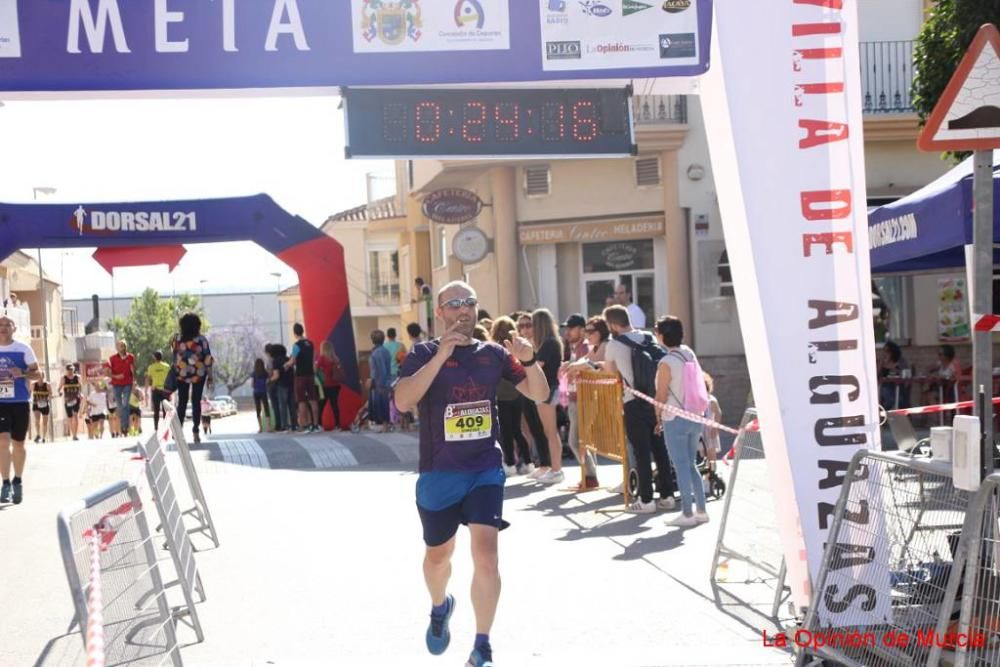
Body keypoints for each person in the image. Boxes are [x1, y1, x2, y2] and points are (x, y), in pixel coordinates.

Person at [394, 280, 547, 667]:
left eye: (470, 302)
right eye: (455, 303)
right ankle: (440, 605)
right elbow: (403, 399)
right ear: (441, 312)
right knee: (438, 557)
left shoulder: (493, 354)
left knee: (487, 557)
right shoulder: (423, 352)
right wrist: (439, 356)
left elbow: (540, 394)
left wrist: (529, 360)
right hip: (439, 474)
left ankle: (482, 645)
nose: (463, 309)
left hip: (484, 468)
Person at [601, 305, 675, 513]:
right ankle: (668, 496)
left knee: (641, 452)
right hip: (656, 400)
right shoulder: (648, 337)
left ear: (613, 324)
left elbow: (611, 372)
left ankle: (646, 500)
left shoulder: (614, 345)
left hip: (633, 401)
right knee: (660, 449)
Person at [655, 316, 709, 527]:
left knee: (681, 466)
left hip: (674, 417)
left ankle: (687, 513)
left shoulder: (666, 362)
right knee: (691, 464)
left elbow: (660, 395)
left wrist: (657, 417)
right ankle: (701, 510)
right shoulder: (689, 353)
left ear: (661, 336)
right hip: (695, 415)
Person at [0, 313, 41, 505]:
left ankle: (17, 480)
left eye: (8, 324)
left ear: (14, 329)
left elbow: (38, 374)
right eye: (1, 324)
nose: (4, 327)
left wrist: (23, 372)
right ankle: (5, 482)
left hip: (20, 401)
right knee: (2, 441)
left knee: (18, 444)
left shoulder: (23, 348)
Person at [560, 314, 600, 490]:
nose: (567, 331)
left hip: (585, 399)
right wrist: (567, 364)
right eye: (566, 328)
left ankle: (591, 477)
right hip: (576, 398)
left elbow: (589, 368)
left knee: (575, 441)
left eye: (571, 328)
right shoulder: (575, 347)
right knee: (582, 440)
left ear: (582, 330)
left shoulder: (585, 347)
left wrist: (570, 368)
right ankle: (588, 475)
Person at [491, 317, 534, 476]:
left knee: (506, 431)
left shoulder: (495, 349)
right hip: (518, 391)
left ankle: (510, 464)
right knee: (517, 429)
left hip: (502, 394)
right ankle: (528, 462)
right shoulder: (517, 346)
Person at [531, 308, 565, 485]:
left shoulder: (548, 343)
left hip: (547, 389)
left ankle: (556, 469)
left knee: (551, 432)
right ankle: (555, 468)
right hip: (548, 389)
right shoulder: (552, 342)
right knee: (550, 431)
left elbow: (537, 366)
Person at [514, 312, 550, 477]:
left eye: (529, 325)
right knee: (532, 427)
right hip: (525, 390)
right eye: (521, 326)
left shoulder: (540, 344)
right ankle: (541, 463)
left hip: (542, 392)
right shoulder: (520, 345)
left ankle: (547, 464)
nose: (525, 329)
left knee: (542, 428)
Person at [171, 313, 214, 444]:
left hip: (182, 374)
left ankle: (179, 431)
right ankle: (196, 431)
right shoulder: (202, 340)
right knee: (196, 402)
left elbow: (174, 357)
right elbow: (208, 359)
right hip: (199, 374)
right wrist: (210, 376)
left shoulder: (176, 339)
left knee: (182, 402)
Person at [284, 323, 319, 433]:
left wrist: (286, 365)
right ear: (302, 331)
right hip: (310, 375)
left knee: (301, 401)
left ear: (295, 333)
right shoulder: (311, 344)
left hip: (300, 376)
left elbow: (293, 360)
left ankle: (303, 425)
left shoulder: (296, 345)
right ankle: (315, 425)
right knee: (313, 400)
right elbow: (313, 359)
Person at [108, 340, 136, 437]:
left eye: (123, 346)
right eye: (120, 346)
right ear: (117, 347)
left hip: (128, 383)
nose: (122, 348)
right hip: (116, 384)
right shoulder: (112, 358)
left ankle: (125, 427)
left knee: (125, 404)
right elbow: (108, 372)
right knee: (120, 406)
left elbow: (132, 369)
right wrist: (116, 376)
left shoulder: (130, 357)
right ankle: (123, 426)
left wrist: (134, 380)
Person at [315, 342, 343, 431]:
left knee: (321, 405)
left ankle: (319, 424)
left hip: (325, 385)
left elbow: (316, 369)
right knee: (335, 405)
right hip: (336, 385)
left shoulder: (322, 359)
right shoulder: (336, 359)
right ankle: (338, 425)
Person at [368, 330, 392, 431]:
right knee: (384, 403)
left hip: (379, 382)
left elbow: (380, 369)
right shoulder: (385, 351)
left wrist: (378, 383)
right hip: (386, 380)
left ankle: (384, 425)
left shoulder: (377, 353)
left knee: (380, 403)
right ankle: (385, 424)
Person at [878, 340, 911, 410]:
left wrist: (896, 369)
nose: (884, 353)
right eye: (883, 351)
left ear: (892, 352)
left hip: (898, 388)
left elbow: (906, 376)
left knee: (898, 398)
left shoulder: (900, 363)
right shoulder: (880, 363)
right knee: (885, 390)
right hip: (884, 389)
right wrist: (881, 364)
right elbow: (875, 377)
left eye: (887, 351)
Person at [145, 351, 172, 432]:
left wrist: (146, 390)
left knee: (156, 410)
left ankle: (156, 428)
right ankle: (166, 428)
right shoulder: (167, 366)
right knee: (165, 410)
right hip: (165, 390)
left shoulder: (151, 367)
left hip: (155, 390)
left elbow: (148, 379)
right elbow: (170, 378)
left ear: (154, 357)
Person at [59, 364, 83, 442]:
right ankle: (73, 434)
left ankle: (75, 435)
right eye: (69, 370)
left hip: (76, 398)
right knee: (70, 418)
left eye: (72, 370)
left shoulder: (78, 377)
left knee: (75, 416)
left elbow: (80, 387)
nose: (71, 371)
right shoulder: (63, 378)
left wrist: (81, 393)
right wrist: (60, 392)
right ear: (66, 370)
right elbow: (59, 388)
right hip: (68, 399)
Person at [252, 358, 272, 433]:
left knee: (258, 409)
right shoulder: (265, 373)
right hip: (263, 392)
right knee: (266, 408)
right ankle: (269, 427)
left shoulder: (254, 373)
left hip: (256, 392)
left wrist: (256, 386)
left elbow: (252, 384)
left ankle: (260, 428)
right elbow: (268, 381)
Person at [31, 375, 51, 444]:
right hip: (36, 404)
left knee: (45, 422)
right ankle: (38, 434)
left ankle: (44, 437)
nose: (40, 379)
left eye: (41, 377)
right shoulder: (33, 384)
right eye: (38, 377)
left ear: (43, 377)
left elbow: (50, 394)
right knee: (37, 419)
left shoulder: (47, 385)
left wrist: (46, 398)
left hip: (45, 404)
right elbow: (29, 392)